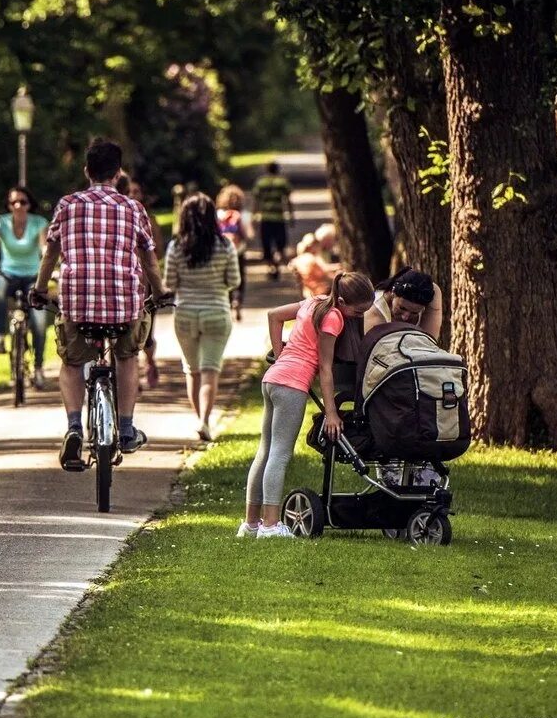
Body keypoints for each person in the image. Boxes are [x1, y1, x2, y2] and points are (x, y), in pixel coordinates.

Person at [30, 139, 172, 468]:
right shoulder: (133, 208)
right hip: (124, 303)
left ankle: (74, 427)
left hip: (77, 303)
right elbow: (149, 260)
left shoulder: (67, 205)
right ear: (118, 173)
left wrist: (39, 288)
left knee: (71, 362)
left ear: (86, 171)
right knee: (127, 355)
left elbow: (50, 252)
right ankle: (124, 428)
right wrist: (160, 291)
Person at [242, 272, 374, 539]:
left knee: (264, 452)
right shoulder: (333, 317)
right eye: (358, 311)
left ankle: (250, 524)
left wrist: (280, 356)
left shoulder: (313, 302)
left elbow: (274, 316)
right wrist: (332, 413)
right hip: (292, 385)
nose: (359, 316)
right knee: (280, 454)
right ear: (343, 301)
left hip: (272, 380)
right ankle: (270, 526)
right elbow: (326, 370)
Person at [164, 193, 240, 442]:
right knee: (210, 371)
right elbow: (234, 281)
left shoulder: (176, 246)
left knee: (192, 371)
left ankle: (200, 420)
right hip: (216, 312)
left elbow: (170, 282)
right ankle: (205, 422)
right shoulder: (225, 245)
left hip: (185, 313)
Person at [0, 186, 50, 388]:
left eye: (23, 202)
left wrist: (51, 268)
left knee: (40, 322)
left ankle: (39, 367)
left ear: (29, 204)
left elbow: (45, 248)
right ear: (8, 205)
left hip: (33, 277)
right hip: (8, 274)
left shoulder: (39, 223)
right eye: (13, 202)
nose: (18, 206)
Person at [123, 175, 165, 390]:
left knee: (146, 334)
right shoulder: (118, 217)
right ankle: (134, 375)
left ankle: (149, 362)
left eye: (136, 192)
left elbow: (158, 249)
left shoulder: (149, 219)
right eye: (129, 191)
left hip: (145, 284)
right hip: (123, 283)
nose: (132, 195)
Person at [363, 265, 444, 341]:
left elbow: (428, 342)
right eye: (402, 308)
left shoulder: (433, 292)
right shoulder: (374, 315)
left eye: (414, 312)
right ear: (393, 293)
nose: (405, 317)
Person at [251, 160, 295, 279]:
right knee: (280, 243)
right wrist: (291, 215)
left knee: (267, 243)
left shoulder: (261, 183)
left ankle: (271, 265)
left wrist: (254, 216)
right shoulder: (282, 182)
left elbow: (256, 201)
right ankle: (277, 260)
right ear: (277, 169)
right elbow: (288, 200)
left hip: (265, 218)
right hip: (279, 218)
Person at [215, 183, 251, 320]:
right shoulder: (241, 215)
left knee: (226, 277)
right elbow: (247, 234)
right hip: (239, 249)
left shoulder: (218, 215)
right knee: (240, 276)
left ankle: (229, 302)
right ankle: (238, 300)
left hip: (223, 251)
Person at [289, 232, 342, 298]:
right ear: (313, 246)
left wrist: (336, 267)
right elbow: (324, 274)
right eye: (317, 245)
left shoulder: (299, 259)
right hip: (318, 292)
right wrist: (340, 276)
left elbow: (322, 269)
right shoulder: (311, 259)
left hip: (307, 291)